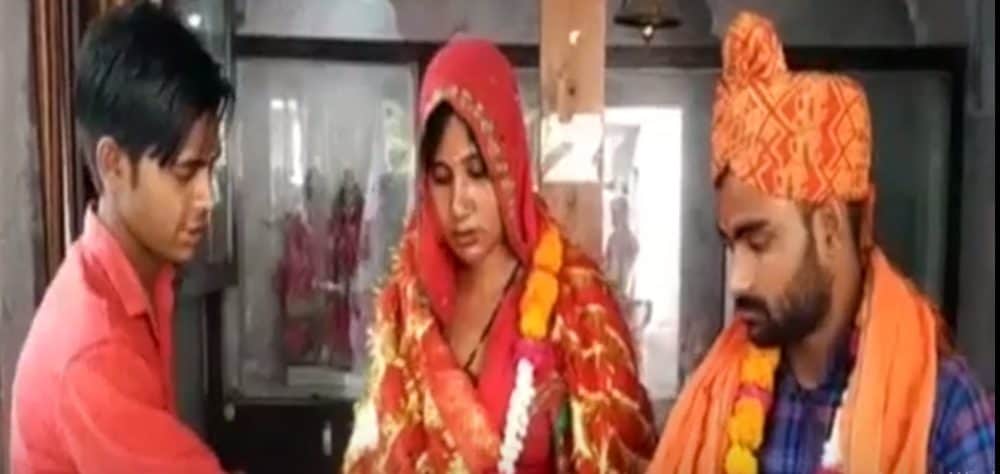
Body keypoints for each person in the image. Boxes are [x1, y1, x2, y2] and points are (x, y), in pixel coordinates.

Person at [649, 12, 995, 474]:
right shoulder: (718, 396)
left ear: (829, 228)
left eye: (759, 242)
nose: (738, 280)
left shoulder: (944, 411)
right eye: (732, 246)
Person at [342, 38, 655, 473]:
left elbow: (625, 454)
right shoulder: (407, 305)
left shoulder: (579, 308)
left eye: (478, 173)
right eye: (442, 178)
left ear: (510, 164)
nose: (459, 204)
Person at [10, 3, 232, 473]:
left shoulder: (138, 279)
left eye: (211, 167)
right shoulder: (93, 351)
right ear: (113, 164)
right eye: (186, 172)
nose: (207, 197)